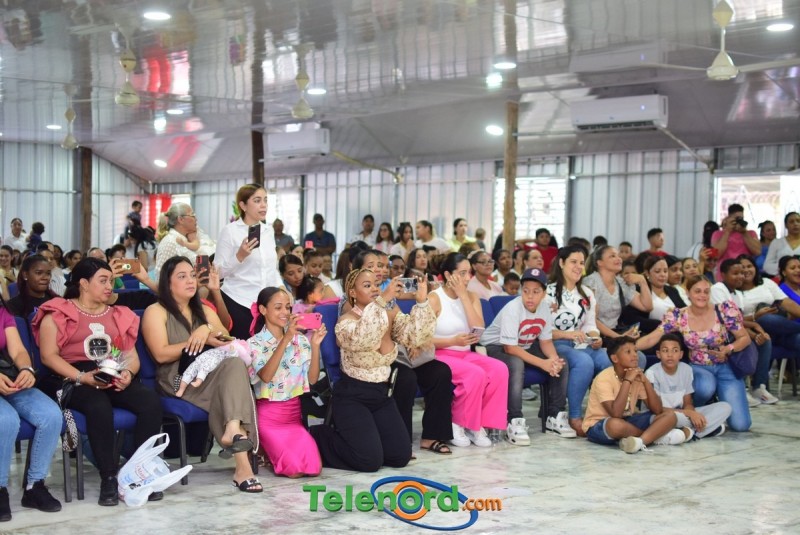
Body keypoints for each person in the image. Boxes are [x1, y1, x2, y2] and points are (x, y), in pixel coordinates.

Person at [33, 258, 163, 506]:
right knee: (98, 405)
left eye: (111, 281)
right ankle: (109, 477)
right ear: (83, 283)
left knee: (150, 402)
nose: (109, 286)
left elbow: (130, 356)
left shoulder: (118, 314)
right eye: (103, 281)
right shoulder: (59, 311)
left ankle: (137, 472)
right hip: (70, 376)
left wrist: (128, 373)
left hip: (109, 372)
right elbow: (48, 356)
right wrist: (82, 377)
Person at [142, 256, 261, 492]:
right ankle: (242, 464)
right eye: (182, 276)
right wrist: (196, 340)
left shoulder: (203, 310)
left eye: (192, 275)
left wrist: (205, 329)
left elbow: (226, 338)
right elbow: (161, 354)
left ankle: (234, 434)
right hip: (177, 379)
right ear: (167, 283)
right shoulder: (155, 311)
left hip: (207, 374)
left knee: (234, 364)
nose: (190, 281)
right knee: (229, 390)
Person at [310, 268, 433, 472]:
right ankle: (318, 435)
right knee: (369, 461)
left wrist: (421, 302)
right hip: (352, 396)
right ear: (353, 292)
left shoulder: (387, 314)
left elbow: (415, 336)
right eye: (367, 286)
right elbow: (365, 336)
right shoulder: (346, 322)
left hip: (381, 395)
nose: (375, 289)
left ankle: (367, 442)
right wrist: (383, 300)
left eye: (376, 285)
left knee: (399, 456)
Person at [635, 276, 752, 432]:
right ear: (688, 292)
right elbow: (652, 337)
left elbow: (744, 338)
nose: (702, 295)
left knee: (741, 425)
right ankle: (693, 416)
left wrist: (728, 348)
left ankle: (708, 410)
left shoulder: (724, 310)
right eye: (697, 291)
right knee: (705, 386)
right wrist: (629, 347)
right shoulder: (678, 315)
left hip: (726, 367)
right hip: (698, 367)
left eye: (706, 291)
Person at [482, 267, 572, 445]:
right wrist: (542, 363)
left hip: (524, 345)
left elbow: (546, 342)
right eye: (526, 291)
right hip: (494, 347)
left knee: (561, 362)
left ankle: (554, 416)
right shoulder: (513, 309)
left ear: (544, 293)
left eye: (536, 292)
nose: (530, 296)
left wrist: (552, 361)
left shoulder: (544, 308)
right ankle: (514, 421)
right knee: (516, 364)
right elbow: (510, 348)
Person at [429, 253, 509, 448]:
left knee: (499, 369)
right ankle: (457, 423)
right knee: (475, 373)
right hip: (440, 352)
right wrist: (451, 341)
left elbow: (478, 329)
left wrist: (464, 297)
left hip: (465, 353)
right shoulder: (434, 298)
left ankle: (477, 424)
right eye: (462, 273)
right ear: (448, 275)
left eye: (469, 273)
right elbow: (422, 340)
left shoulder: (472, 297)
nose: (467, 278)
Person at [247, 287, 324, 477]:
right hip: (269, 418)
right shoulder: (254, 344)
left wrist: (315, 345)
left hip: (293, 417)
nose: (285, 312)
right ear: (263, 310)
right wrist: (286, 338)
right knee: (294, 470)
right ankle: (264, 449)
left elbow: (313, 379)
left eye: (288, 307)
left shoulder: (300, 340)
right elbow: (266, 376)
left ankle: (266, 454)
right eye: (278, 307)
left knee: (313, 468)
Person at [0, 298, 63, 521]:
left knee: (51, 415)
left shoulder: (2, 312)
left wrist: (26, 369)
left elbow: (18, 350)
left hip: (7, 377)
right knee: (6, 420)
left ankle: (34, 486)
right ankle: (0, 488)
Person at [546, 245, 610, 436]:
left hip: (581, 343)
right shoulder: (547, 292)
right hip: (554, 344)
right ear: (561, 263)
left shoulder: (586, 293)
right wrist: (567, 334)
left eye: (581, 263)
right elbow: (542, 329)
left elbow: (590, 325)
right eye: (573, 262)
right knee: (583, 362)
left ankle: (601, 413)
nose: (578, 267)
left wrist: (595, 337)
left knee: (606, 359)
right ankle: (574, 416)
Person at [582, 336, 680, 453]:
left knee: (670, 416)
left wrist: (645, 381)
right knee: (615, 425)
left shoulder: (636, 375)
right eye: (628, 352)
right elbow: (616, 414)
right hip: (599, 426)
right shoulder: (604, 378)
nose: (635, 355)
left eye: (635, 351)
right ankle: (653, 438)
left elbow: (657, 410)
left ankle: (640, 441)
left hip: (627, 421)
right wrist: (627, 381)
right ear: (615, 358)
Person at [215, 185, 282, 340]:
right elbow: (217, 273)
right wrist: (239, 256)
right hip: (238, 301)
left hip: (266, 303)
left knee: (268, 349)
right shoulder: (230, 231)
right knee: (244, 351)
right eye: (257, 201)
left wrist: (281, 286)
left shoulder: (268, 231)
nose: (263, 205)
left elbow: (271, 268)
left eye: (265, 200)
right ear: (243, 205)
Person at [710, 258, 776, 406]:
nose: (740, 276)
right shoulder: (718, 289)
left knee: (765, 341)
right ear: (723, 274)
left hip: (735, 330)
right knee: (746, 342)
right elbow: (726, 320)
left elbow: (739, 319)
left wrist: (756, 324)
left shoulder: (737, 294)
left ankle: (758, 387)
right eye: (735, 273)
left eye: (741, 273)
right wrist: (754, 333)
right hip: (719, 333)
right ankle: (742, 388)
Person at [645, 333, 730, 438]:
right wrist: (689, 414)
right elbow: (657, 409)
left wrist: (692, 413)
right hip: (661, 416)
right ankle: (698, 431)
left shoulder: (686, 369)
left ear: (681, 354)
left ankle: (687, 433)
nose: (670, 355)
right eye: (665, 350)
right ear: (658, 354)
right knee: (674, 418)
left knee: (725, 407)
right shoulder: (652, 373)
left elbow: (688, 403)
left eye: (675, 350)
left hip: (682, 413)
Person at [738, 254, 800, 395]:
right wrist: (756, 316)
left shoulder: (766, 283)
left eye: (749, 266)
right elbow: (734, 320)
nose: (746, 270)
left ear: (755, 268)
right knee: (765, 319)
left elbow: (788, 303)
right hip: (753, 331)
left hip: (780, 330)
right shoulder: (734, 291)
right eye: (742, 267)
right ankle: (759, 388)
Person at [583, 245, 653, 345]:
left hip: (615, 335)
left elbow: (647, 306)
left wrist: (643, 281)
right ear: (600, 262)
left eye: (618, 256)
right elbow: (590, 319)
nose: (619, 259)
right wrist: (619, 337)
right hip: (595, 337)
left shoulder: (620, 283)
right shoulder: (591, 282)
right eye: (612, 256)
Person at [711, 204, 761, 277]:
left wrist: (744, 233)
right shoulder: (718, 234)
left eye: (741, 218)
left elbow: (757, 251)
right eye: (737, 219)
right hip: (725, 275)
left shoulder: (751, 233)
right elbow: (716, 255)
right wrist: (727, 231)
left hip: (745, 274)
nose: (739, 221)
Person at [155, 203, 200, 277]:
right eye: (192, 215)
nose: (196, 219)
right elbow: (160, 275)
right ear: (181, 219)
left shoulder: (188, 239)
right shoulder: (170, 242)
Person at [7, 255, 57, 320]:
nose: (45, 278)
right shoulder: (13, 305)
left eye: (48, 273)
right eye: (39, 273)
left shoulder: (56, 301)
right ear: (25, 275)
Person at [763, 212, 800, 277]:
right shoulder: (776, 243)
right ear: (786, 225)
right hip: (782, 279)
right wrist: (785, 268)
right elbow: (767, 266)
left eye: (798, 221)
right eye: (791, 222)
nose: (795, 224)